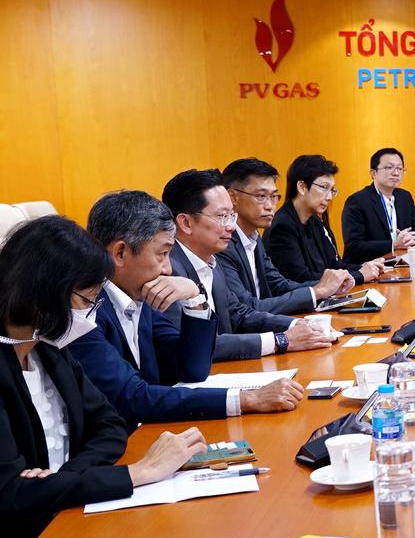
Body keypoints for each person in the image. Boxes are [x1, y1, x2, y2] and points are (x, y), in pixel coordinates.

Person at [0, 216, 206, 538]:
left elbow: (110, 424)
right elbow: (6, 495)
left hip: (63, 520)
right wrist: (138, 473)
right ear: (45, 293)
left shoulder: (45, 346)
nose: (90, 313)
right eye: (87, 300)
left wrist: (63, 479)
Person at [70, 190, 304, 424]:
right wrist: (246, 399)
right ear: (120, 253)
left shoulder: (141, 296)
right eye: (162, 254)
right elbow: (133, 397)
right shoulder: (84, 311)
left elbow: (193, 369)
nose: (168, 269)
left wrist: (195, 299)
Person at [162, 169, 332, 361]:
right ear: (186, 223)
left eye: (231, 216)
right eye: (222, 216)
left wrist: (297, 325)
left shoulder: (210, 259)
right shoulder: (167, 271)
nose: (230, 226)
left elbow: (238, 314)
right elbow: (194, 345)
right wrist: (280, 340)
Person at [217, 158, 354, 316]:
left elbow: (278, 285)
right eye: (261, 196)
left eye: (274, 196)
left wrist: (330, 285)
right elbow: (247, 308)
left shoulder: (253, 237)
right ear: (233, 198)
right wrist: (318, 291)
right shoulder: (222, 244)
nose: (270, 206)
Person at [268, 154, 386, 285]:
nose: (329, 197)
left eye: (332, 190)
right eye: (324, 187)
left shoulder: (314, 221)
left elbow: (333, 265)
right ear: (302, 187)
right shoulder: (282, 226)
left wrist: (366, 267)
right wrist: (359, 275)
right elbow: (301, 279)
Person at [341, 147, 415, 266]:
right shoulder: (357, 201)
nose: (396, 173)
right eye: (389, 168)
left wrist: (414, 239)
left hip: (401, 265)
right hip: (369, 268)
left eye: (400, 168)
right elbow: (354, 246)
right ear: (373, 173)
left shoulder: (404, 197)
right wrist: (393, 244)